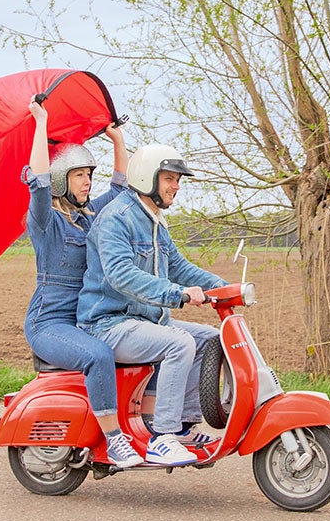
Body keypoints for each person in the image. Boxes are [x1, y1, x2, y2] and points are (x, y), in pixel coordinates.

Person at [77, 144, 223, 467]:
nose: (176, 186)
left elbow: (180, 267)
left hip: (144, 321)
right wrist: (178, 295)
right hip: (108, 324)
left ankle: (183, 426)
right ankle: (162, 437)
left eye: (177, 180)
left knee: (209, 340)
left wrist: (222, 286)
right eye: (170, 179)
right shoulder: (117, 218)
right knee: (179, 343)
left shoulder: (154, 220)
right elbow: (121, 275)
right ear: (147, 178)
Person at [22, 96, 142, 468]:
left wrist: (117, 141)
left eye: (90, 174)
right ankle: (115, 439)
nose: (89, 181)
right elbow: (38, 184)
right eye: (80, 174)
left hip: (83, 320)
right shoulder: (46, 223)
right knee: (98, 355)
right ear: (62, 179)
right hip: (50, 324)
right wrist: (41, 122)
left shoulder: (90, 218)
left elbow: (122, 191)